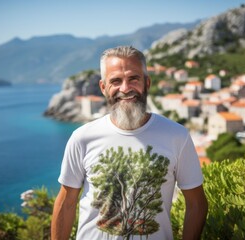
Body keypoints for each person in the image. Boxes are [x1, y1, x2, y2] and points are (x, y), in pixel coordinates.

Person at [51, 46, 208, 240]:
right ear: (103, 87)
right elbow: (66, 202)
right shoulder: (81, 137)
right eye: (115, 81)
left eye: (133, 78)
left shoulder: (177, 136)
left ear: (147, 83)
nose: (125, 89)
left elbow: (196, 204)